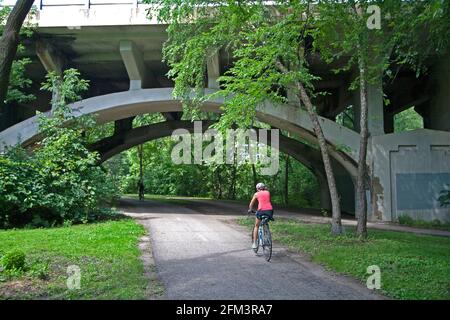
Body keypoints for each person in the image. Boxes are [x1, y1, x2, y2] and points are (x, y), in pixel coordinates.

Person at [248, 182, 273, 249]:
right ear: (264, 188)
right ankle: (266, 237)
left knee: (256, 226)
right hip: (269, 211)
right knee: (265, 221)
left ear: (257, 189)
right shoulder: (268, 192)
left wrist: (250, 209)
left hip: (261, 210)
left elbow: (251, 204)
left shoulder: (256, 194)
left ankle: (255, 243)